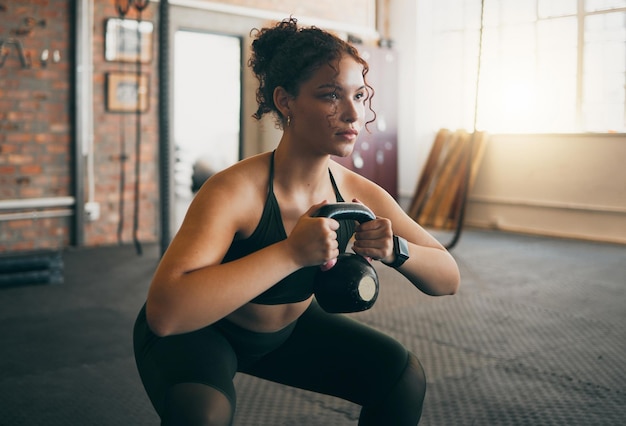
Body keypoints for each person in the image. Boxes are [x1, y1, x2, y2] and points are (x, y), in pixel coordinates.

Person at [133, 17, 460, 426]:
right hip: (201, 333)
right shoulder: (233, 192)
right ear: (285, 102)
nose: (353, 113)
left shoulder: (361, 193)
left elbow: (448, 278)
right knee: (203, 414)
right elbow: (165, 314)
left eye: (359, 95)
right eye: (330, 96)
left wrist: (397, 251)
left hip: (287, 333)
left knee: (401, 376)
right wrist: (290, 253)